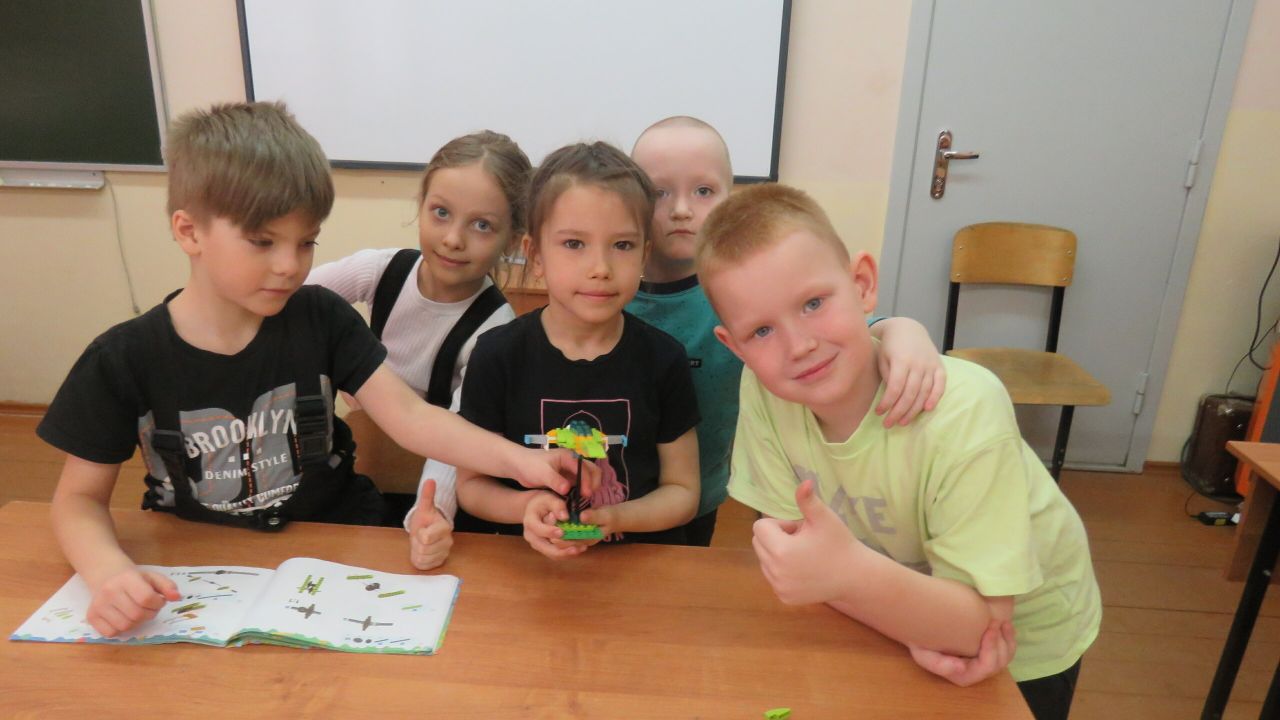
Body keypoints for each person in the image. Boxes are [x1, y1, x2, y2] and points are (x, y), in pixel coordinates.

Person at [37, 102, 584, 638]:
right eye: (262, 242)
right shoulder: (122, 358)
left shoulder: (322, 317)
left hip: (334, 544)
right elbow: (78, 501)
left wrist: (524, 462)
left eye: (306, 243)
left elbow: (414, 418)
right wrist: (108, 573)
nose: (289, 265)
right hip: (195, 564)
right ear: (189, 231)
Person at [697, 183, 1100, 720]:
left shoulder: (964, 410)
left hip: (1023, 644)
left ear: (863, 284)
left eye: (813, 304)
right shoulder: (764, 391)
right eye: (762, 330)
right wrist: (897, 612)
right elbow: (805, 558)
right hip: (888, 614)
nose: (799, 346)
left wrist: (847, 578)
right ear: (735, 347)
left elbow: (980, 630)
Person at [626, 116, 947, 546]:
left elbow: (845, 329)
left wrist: (904, 330)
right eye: (659, 193)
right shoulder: (610, 294)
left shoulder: (746, 294)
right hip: (617, 486)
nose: (681, 209)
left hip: (699, 493)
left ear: (728, 196)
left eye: (703, 191)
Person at [456, 141, 701, 557]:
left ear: (644, 254)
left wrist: (616, 518)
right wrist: (528, 506)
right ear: (535, 256)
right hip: (524, 569)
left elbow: (683, 491)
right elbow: (472, 486)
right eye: (574, 244)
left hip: (635, 569)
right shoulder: (497, 355)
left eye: (622, 245)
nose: (600, 268)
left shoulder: (664, 359)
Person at [307, 131, 531, 570]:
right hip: (358, 474)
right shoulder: (381, 269)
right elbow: (294, 302)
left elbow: (459, 435)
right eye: (441, 213)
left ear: (512, 240)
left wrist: (431, 514)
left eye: (482, 226)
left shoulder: (495, 330)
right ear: (421, 205)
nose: (453, 239)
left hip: (431, 490)